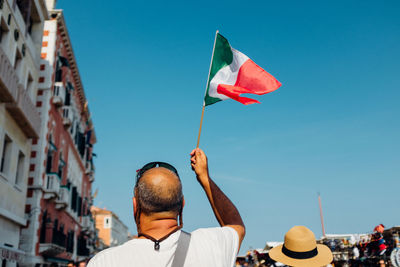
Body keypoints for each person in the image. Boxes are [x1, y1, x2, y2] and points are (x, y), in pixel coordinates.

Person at [88, 148, 245, 266]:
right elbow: (236, 226)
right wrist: (204, 178)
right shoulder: (211, 246)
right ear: (182, 206)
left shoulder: (105, 261)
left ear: (135, 206)